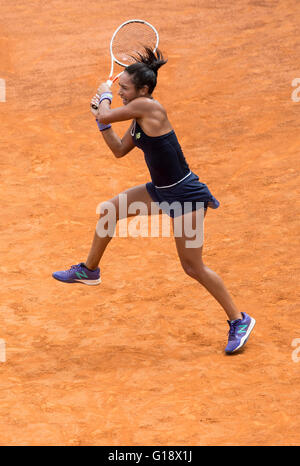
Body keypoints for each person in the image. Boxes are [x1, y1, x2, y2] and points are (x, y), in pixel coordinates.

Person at [52, 48, 255, 353]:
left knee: (192, 267)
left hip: (185, 195)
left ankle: (239, 320)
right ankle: (90, 270)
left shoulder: (148, 108)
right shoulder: (138, 117)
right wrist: (101, 123)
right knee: (110, 211)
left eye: (124, 88)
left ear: (143, 90)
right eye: (118, 87)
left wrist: (102, 98)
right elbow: (119, 150)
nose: (120, 92)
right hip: (161, 191)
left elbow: (106, 111)